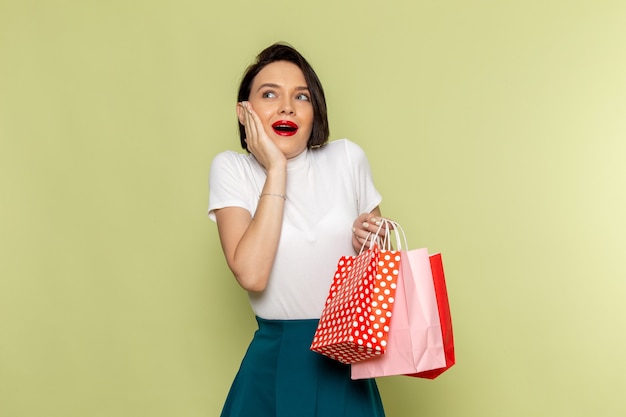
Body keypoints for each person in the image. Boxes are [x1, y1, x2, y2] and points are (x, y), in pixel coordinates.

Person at [208, 42, 390, 417]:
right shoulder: (232, 169)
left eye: (301, 96)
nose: (287, 106)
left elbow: (377, 279)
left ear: (314, 110)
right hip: (274, 361)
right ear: (245, 112)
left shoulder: (346, 159)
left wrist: (371, 241)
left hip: (343, 354)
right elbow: (252, 274)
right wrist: (275, 167)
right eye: (269, 94)